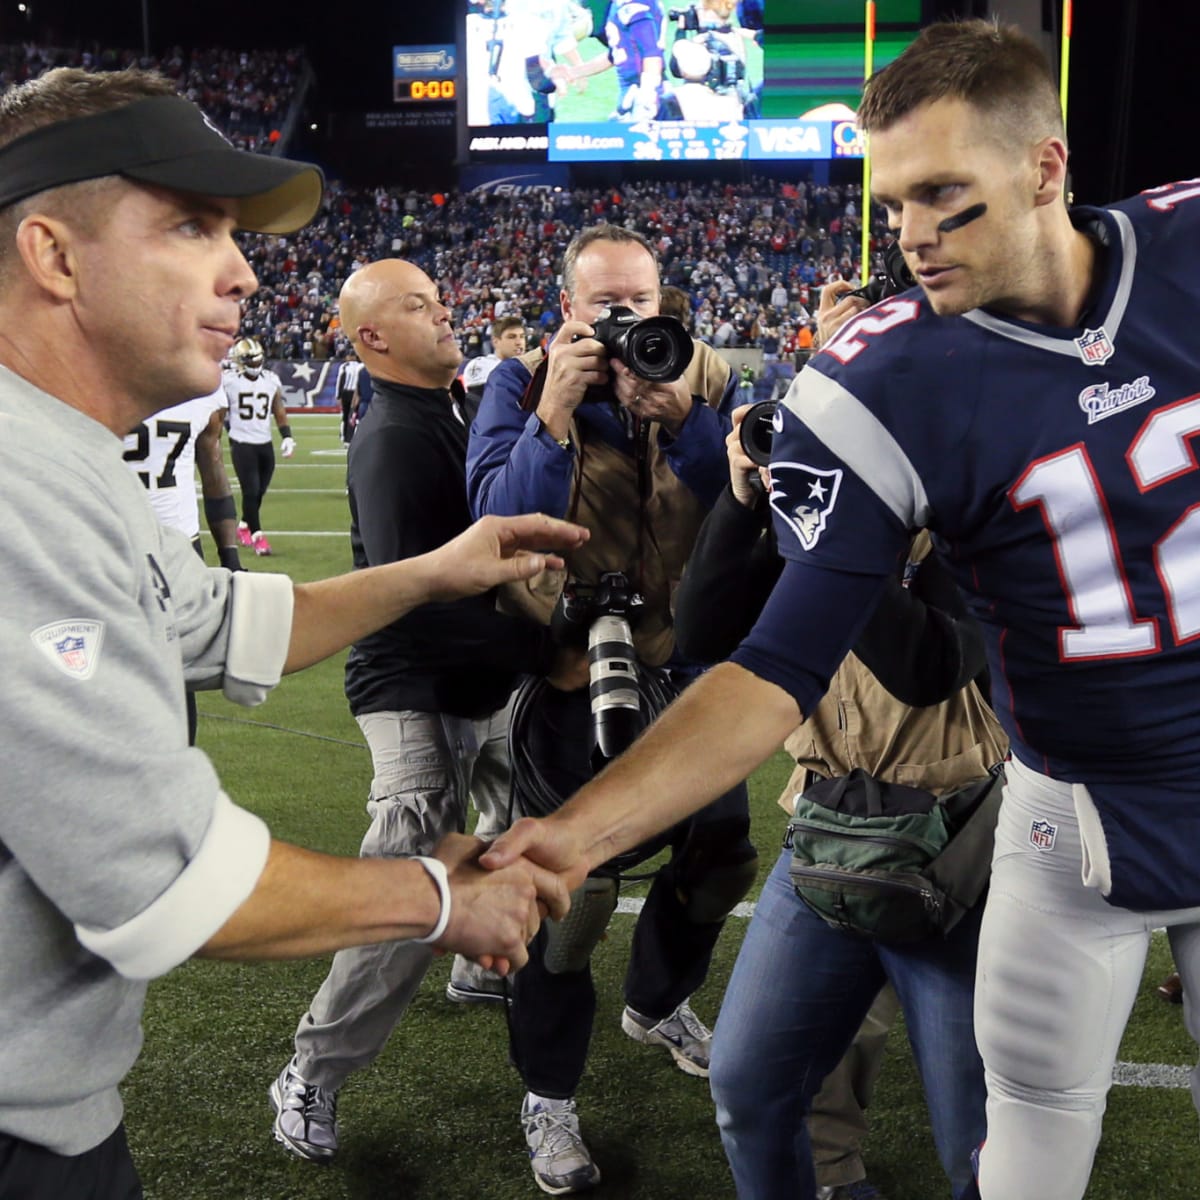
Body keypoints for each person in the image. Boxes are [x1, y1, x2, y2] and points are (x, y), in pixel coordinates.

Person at [482, 21, 1200, 1200]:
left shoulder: (1185, 245)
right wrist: (574, 835)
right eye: (895, 202)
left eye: (943, 197)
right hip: (1068, 822)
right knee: (1022, 1148)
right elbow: (768, 664)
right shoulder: (883, 378)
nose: (911, 234)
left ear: (1046, 169)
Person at [0, 66, 582, 1200]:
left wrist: (438, 569)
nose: (243, 270)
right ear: (54, 255)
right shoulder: (19, 486)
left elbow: (225, 621)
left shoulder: (62, 454)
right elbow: (167, 884)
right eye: (189, 225)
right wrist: (443, 897)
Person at [468, 222, 758, 1195]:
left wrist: (686, 421)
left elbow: (747, 512)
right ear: (570, 310)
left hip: (682, 674)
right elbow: (494, 523)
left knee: (724, 854)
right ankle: (549, 1098)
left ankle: (657, 999)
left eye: (642, 299)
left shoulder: (699, 376)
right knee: (570, 902)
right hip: (567, 680)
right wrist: (554, 410)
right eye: (606, 304)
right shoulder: (517, 384)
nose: (629, 319)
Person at [270, 259, 563, 1165]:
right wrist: (544, 637)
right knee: (406, 891)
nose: (443, 314)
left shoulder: (447, 412)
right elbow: (418, 596)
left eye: (440, 298)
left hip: (479, 680)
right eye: (415, 306)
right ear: (372, 338)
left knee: (528, 833)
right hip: (417, 687)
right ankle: (310, 1074)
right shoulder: (395, 437)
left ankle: (481, 967)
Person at [674, 403, 1006, 1200]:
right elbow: (700, 630)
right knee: (747, 1087)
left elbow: (929, 663)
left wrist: (825, 536)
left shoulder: (970, 508)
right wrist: (744, 500)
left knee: (980, 1137)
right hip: (823, 834)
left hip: (956, 848)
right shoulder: (811, 523)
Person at [122, 384, 245, 743]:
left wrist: (231, 560)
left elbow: (212, 467)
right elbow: (214, 472)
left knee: (178, 670)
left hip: (175, 549)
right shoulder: (197, 382)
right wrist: (230, 557)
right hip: (112, 542)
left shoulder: (200, 385)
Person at [221, 334, 291, 556]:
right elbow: (219, 411)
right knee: (250, 491)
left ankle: (243, 526)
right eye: (250, 360)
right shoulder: (228, 381)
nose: (255, 364)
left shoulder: (270, 380)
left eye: (257, 359)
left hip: (265, 443)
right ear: (240, 361)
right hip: (242, 443)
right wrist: (226, 431)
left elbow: (278, 408)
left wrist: (287, 436)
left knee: (259, 491)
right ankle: (258, 536)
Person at [460, 313, 528, 419]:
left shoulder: (529, 368)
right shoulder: (483, 366)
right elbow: (476, 405)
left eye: (522, 337)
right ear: (496, 341)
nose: (519, 342)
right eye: (511, 337)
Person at [335, 351, 365, 446]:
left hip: (346, 392)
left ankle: (344, 437)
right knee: (353, 416)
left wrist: (338, 395)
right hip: (355, 393)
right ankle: (350, 437)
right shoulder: (360, 366)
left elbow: (340, 381)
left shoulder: (344, 366)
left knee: (346, 415)